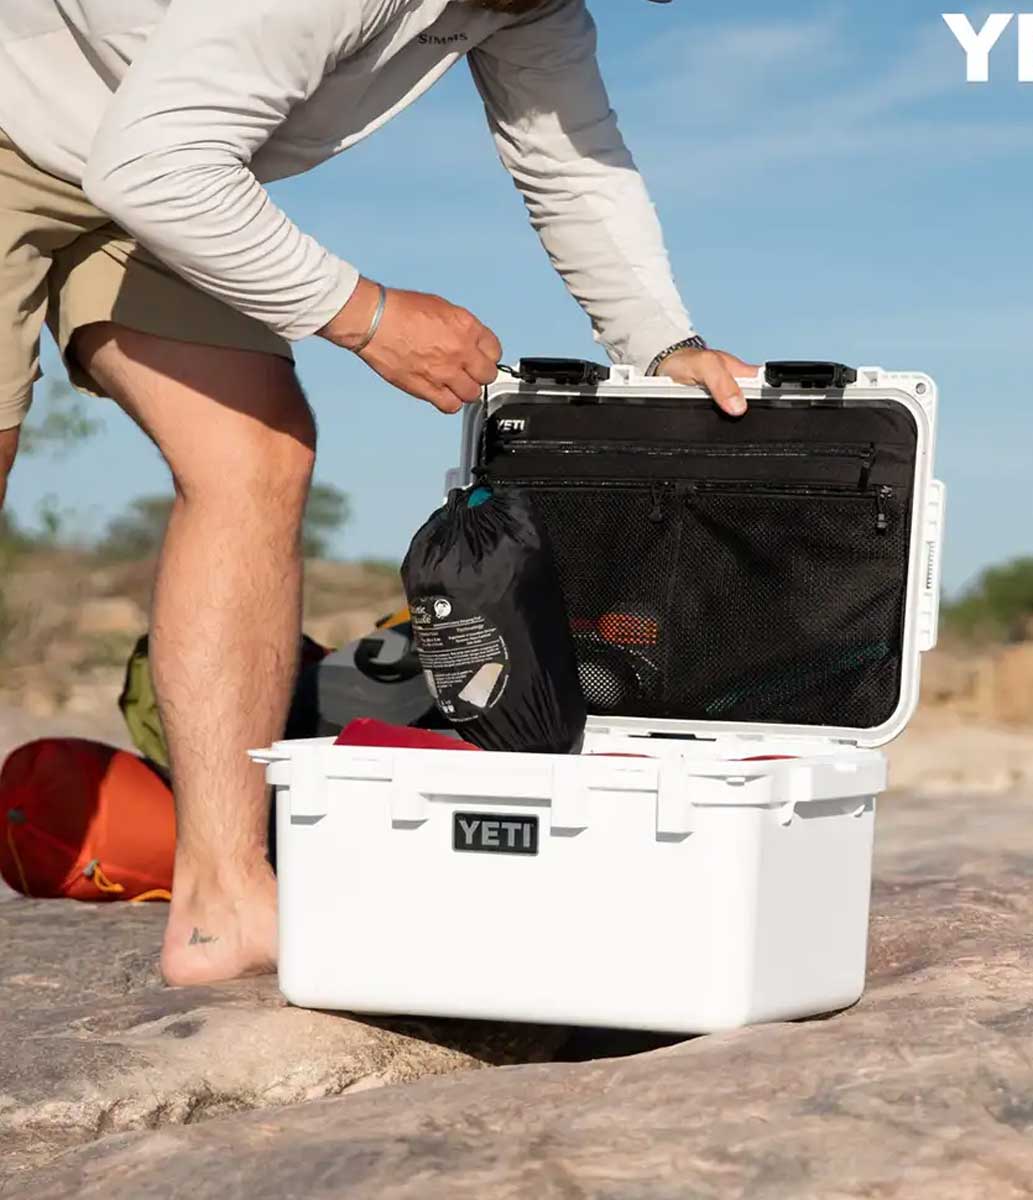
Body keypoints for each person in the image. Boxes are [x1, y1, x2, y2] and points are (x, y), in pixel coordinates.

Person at [0, 0, 755, 986]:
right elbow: (154, 164)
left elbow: (572, 159)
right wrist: (369, 316)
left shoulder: (533, 7)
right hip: (57, 134)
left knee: (257, 455)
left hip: (151, 161)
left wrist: (664, 345)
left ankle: (224, 906)